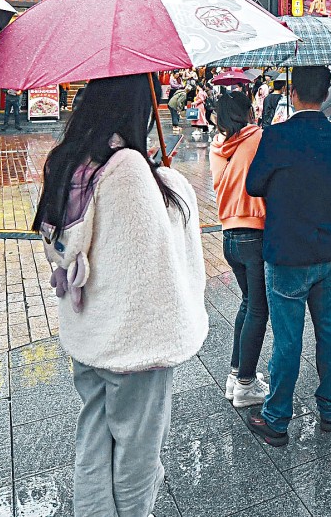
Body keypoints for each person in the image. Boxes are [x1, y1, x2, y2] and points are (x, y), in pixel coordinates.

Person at [34, 74, 207, 516]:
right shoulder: (126, 167)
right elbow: (149, 258)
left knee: (94, 431)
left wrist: (158, 179)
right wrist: (170, 186)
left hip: (91, 330)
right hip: (134, 339)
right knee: (138, 452)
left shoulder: (68, 162)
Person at [244, 66, 331, 447]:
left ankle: (277, 418)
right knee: (330, 330)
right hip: (330, 247)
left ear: (292, 92)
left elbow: (254, 184)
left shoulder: (275, 136)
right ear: (326, 94)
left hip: (287, 249)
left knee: (288, 339)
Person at [209, 91, 270, 408]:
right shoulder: (258, 137)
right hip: (254, 233)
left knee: (248, 304)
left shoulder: (216, 146)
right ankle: (246, 385)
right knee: (259, 308)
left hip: (229, 235)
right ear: (247, 112)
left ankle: (237, 374)